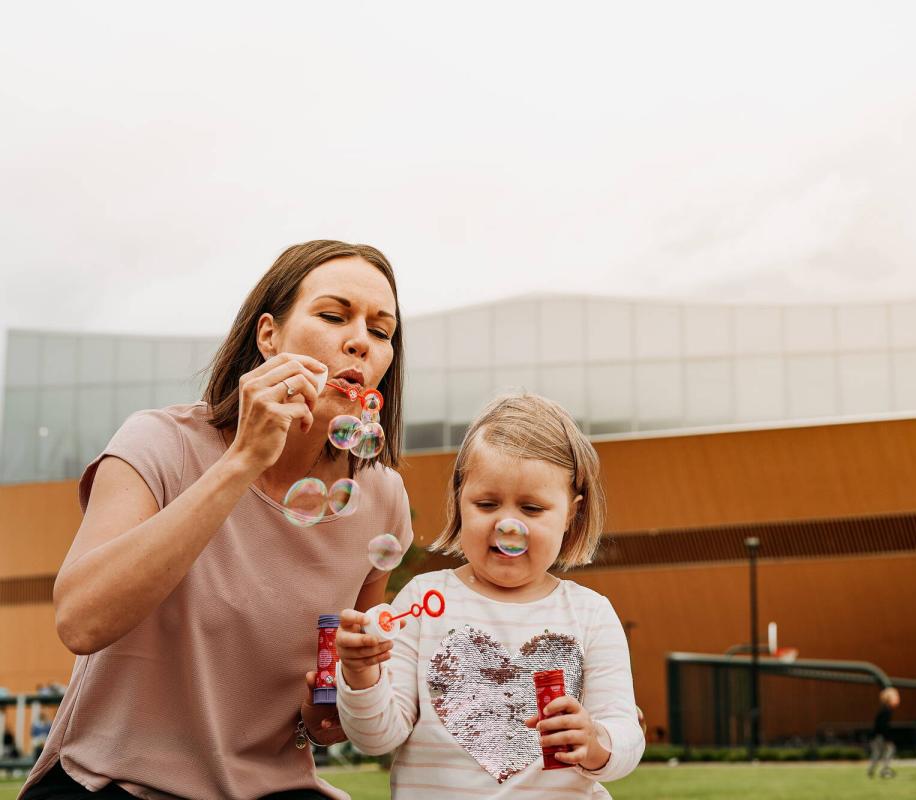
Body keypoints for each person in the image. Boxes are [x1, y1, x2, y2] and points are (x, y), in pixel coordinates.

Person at [20, 241, 414, 800]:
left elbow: (348, 687)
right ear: (268, 336)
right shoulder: (159, 444)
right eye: (333, 315)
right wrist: (242, 461)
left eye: (381, 331)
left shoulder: (382, 499)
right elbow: (80, 622)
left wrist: (331, 705)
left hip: (270, 789)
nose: (361, 341)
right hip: (116, 784)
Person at [335, 394, 645, 797]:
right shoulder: (423, 602)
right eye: (486, 503)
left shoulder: (590, 614)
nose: (507, 525)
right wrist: (361, 675)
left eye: (532, 509)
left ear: (572, 513)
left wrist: (596, 741)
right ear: (459, 499)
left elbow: (626, 734)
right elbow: (375, 738)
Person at [866, 687, 900, 779]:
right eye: (896, 696)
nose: (898, 698)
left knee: (878, 753)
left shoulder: (886, 710)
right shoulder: (886, 711)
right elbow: (882, 726)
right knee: (888, 750)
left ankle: (872, 771)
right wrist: (887, 739)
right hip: (878, 736)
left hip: (877, 736)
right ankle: (884, 770)